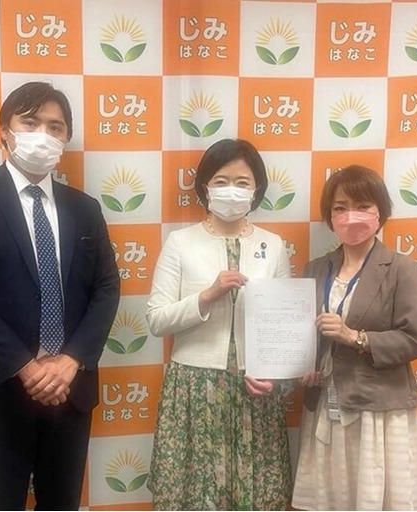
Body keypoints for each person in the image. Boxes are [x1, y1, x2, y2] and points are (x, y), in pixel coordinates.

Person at [0, 81, 120, 510]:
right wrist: (26, 368)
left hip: (69, 388)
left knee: (62, 503)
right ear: (5, 130)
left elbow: (107, 288)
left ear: (66, 139)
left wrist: (70, 361)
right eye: (30, 123)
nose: (43, 135)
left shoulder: (85, 208)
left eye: (55, 127)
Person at [145, 138, 293, 510]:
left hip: (254, 389)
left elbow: (285, 327)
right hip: (194, 388)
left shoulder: (274, 245)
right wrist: (206, 296)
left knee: (257, 497)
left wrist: (275, 378)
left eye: (242, 182)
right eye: (221, 181)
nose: (232, 190)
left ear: (257, 189)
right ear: (205, 187)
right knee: (196, 495)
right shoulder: (180, 243)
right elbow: (157, 319)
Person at [291, 164, 417, 510]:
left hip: (378, 408)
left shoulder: (402, 268)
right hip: (326, 404)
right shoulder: (316, 268)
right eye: (340, 208)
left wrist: (354, 337)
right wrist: (305, 368)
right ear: (330, 217)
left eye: (362, 206)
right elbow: (307, 334)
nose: (351, 216)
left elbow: (412, 340)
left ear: (380, 211)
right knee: (332, 498)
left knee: (377, 500)